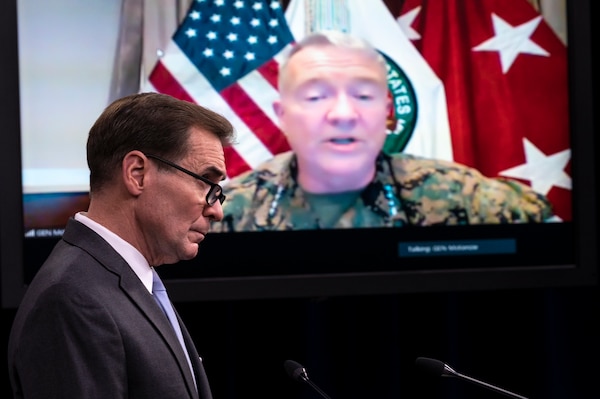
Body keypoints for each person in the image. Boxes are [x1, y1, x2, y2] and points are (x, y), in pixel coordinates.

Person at [7, 92, 235, 399]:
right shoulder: (71, 299)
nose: (216, 210)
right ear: (136, 174)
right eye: (206, 182)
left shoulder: (131, 282)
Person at [212, 30, 553, 232]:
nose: (343, 114)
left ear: (388, 113)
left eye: (363, 95)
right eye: (316, 96)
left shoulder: (458, 196)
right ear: (283, 116)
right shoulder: (230, 213)